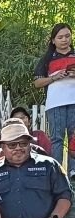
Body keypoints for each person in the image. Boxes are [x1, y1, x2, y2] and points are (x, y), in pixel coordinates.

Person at [34, 23, 75, 165]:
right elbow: (37, 83)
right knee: (57, 138)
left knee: (74, 138)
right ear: (53, 40)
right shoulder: (47, 59)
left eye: (67, 36)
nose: (64, 40)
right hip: (55, 103)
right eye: (60, 37)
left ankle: (73, 173)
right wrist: (53, 78)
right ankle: (56, 173)